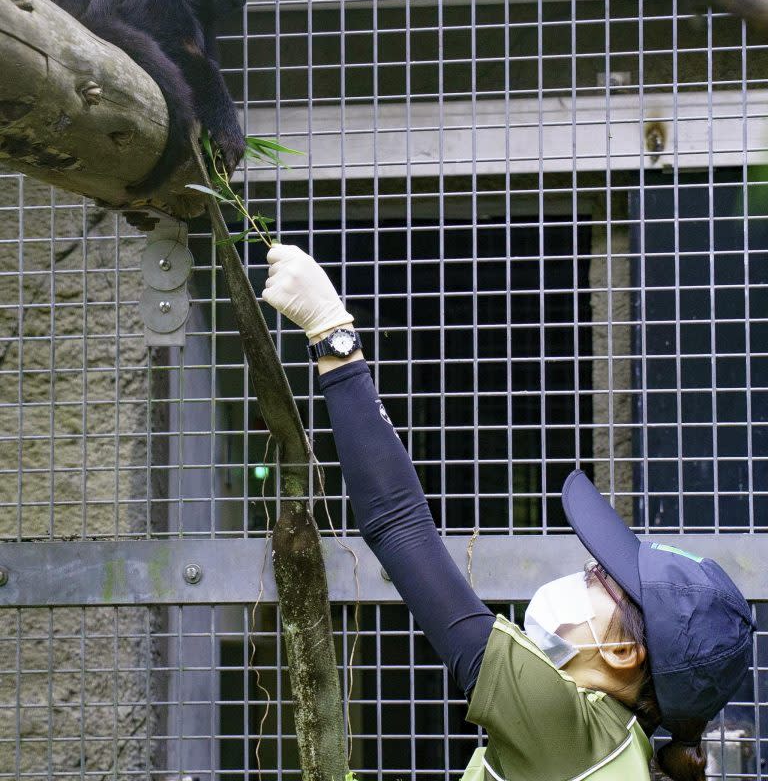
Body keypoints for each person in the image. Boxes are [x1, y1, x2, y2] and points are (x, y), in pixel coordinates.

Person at [261, 243, 755, 781]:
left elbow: (396, 523)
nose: (590, 571)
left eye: (605, 579)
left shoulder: (572, 733)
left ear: (621, 654)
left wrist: (331, 331)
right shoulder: (615, 747)